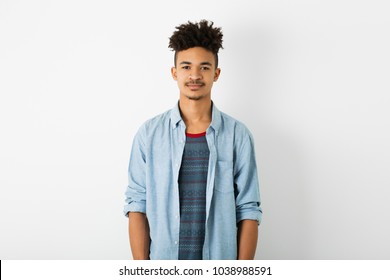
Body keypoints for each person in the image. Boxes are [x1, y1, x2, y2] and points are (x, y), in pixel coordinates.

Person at [123, 20, 262, 260]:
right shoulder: (149, 135)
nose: (195, 75)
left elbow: (248, 209)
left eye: (204, 67)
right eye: (186, 67)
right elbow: (137, 205)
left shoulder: (238, 136)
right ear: (174, 72)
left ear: (216, 74)